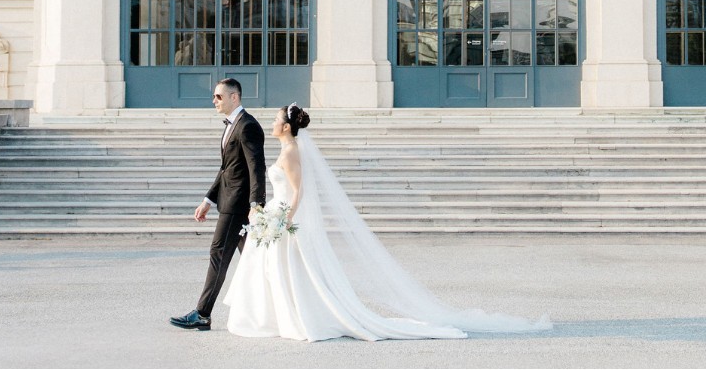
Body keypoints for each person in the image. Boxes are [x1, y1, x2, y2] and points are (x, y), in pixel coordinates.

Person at [221, 103, 551, 341]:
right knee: (275, 270)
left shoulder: (291, 152)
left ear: (287, 127)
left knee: (289, 270)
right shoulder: (286, 148)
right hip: (275, 217)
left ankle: (296, 317)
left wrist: (284, 221)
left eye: (277, 119)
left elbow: (299, 191)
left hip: (283, 219)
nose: (273, 123)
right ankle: (277, 317)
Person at [171, 77, 266, 331]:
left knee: (218, 253)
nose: (214, 100)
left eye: (219, 96)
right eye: (214, 96)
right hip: (228, 200)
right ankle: (277, 310)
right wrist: (207, 199)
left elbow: (257, 167)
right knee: (256, 259)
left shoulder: (248, 126)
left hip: (238, 205)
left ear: (235, 97)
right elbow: (226, 169)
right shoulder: (231, 125)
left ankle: (202, 314)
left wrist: (257, 204)